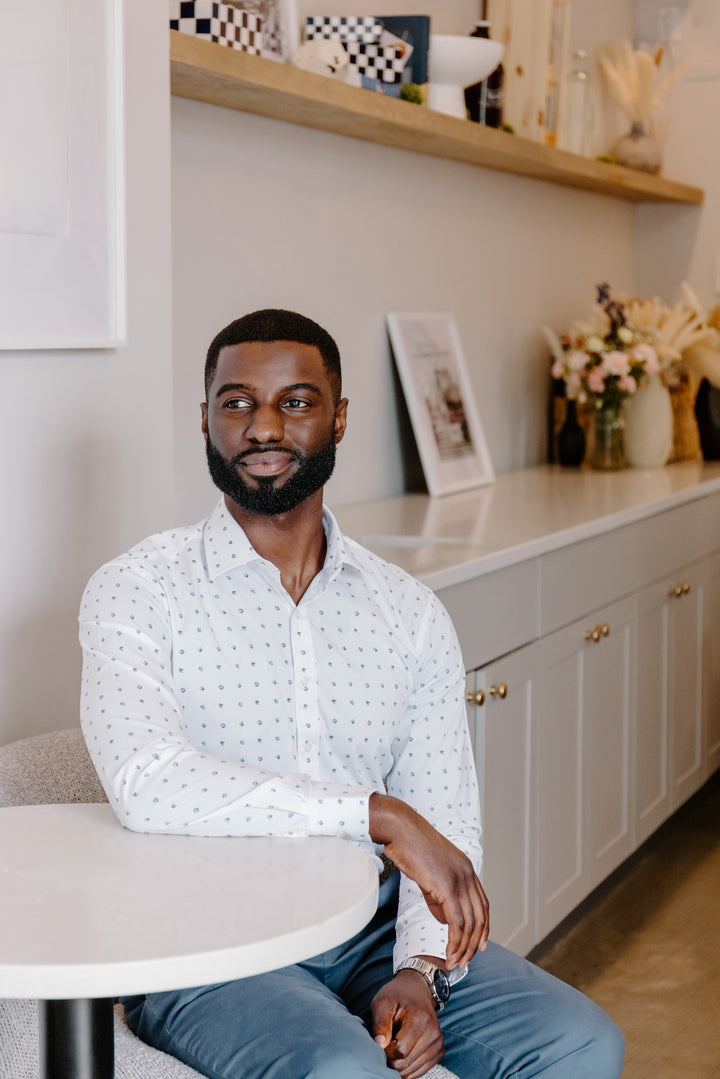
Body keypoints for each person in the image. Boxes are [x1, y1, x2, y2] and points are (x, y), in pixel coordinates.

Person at [79, 309, 624, 1079]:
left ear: (338, 418)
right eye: (236, 403)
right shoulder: (137, 591)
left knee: (582, 1042)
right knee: (343, 1070)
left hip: (366, 930)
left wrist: (419, 972)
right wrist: (374, 811)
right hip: (210, 943)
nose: (263, 426)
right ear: (204, 419)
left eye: (295, 402)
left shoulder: (406, 613)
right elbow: (146, 782)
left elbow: (444, 815)